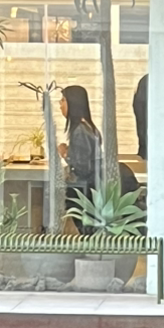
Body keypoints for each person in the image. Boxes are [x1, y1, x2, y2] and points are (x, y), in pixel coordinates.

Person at [58, 85, 101, 227]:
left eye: (63, 100)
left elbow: (82, 167)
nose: (60, 105)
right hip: (92, 188)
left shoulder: (79, 130)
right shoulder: (87, 126)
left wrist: (65, 154)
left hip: (83, 191)